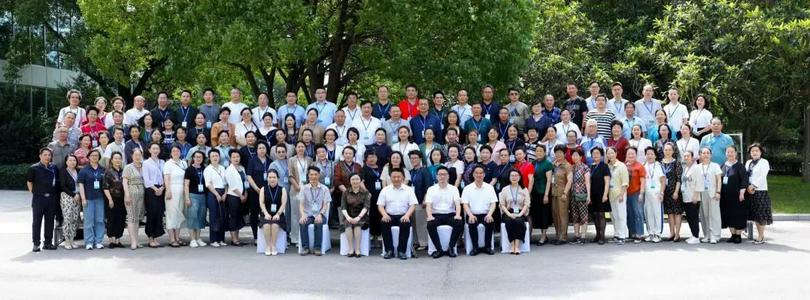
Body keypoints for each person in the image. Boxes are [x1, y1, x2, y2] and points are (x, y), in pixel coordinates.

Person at [377, 168, 418, 260]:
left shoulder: (409, 190)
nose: (396, 179)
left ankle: (401, 251)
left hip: (404, 215)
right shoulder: (385, 190)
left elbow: (413, 205)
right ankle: (389, 250)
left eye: (399, 177)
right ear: (390, 178)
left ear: (403, 178)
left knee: (405, 223)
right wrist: (384, 214)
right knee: (384, 223)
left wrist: (407, 215)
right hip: (389, 215)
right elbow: (380, 205)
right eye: (394, 177)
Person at [425, 166, 463, 258]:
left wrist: (458, 215)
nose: (442, 177)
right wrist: (429, 216)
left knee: (459, 222)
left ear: (448, 176)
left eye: (444, 174)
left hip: (450, 214)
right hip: (436, 215)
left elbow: (458, 204)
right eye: (440, 174)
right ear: (436, 176)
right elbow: (428, 205)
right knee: (430, 224)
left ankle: (451, 247)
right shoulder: (431, 189)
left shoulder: (454, 189)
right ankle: (438, 249)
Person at [27, 148, 60, 252]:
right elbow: (29, 182)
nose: (47, 157)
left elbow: (57, 181)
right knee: (37, 222)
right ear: (40, 156)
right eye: (45, 155)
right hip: (39, 199)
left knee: (50, 221)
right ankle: (36, 244)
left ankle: (48, 243)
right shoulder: (34, 168)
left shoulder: (54, 167)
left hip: (51, 198)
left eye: (49, 155)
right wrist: (35, 193)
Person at [461, 165, 498, 255]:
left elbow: (493, 203)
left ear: (484, 175)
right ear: (473, 174)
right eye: (476, 173)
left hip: (486, 213)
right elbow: (465, 204)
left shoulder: (489, 187)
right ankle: (475, 247)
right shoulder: (467, 188)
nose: (479, 175)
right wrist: (470, 215)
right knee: (472, 223)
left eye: (481, 173)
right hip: (473, 214)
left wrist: (489, 214)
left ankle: (488, 247)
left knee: (489, 222)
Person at [298, 166, 332, 256]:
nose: (313, 177)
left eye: (315, 174)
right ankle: (305, 248)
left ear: (319, 175)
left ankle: (317, 248)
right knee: (302, 222)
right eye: (311, 174)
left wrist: (320, 214)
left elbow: (325, 205)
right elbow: (301, 204)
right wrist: (303, 215)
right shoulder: (304, 188)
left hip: (320, 214)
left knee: (318, 222)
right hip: (308, 215)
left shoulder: (325, 189)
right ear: (308, 176)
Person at [692, 147, 723, 244]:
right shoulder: (697, 167)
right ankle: (707, 235)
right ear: (700, 155)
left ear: (711, 155)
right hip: (702, 193)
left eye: (708, 153)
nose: (705, 155)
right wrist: (695, 195)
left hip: (713, 192)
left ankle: (715, 235)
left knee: (714, 214)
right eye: (703, 153)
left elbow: (719, 180)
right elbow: (695, 182)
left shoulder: (715, 166)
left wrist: (718, 192)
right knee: (704, 215)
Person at [78, 149, 106, 250]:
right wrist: (83, 198)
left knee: (99, 220)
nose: (95, 157)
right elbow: (80, 184)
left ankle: (98, 241)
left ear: (99, 157)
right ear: (89, 157)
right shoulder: (84, 170)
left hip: (100, 198)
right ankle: (89, 242)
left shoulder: (103, 169)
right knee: (89, 221)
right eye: (92, 155)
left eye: (96, 155)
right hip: (88, 199)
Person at [720, 146, 748, 244]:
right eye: (728, 152)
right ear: (726, 153)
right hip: (725, 196)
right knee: (728, 215)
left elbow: (744, 180)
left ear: (736, 153)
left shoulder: (740, 166)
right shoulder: (723, 165)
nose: (730, 154)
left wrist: (742, 193)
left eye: (732, 152)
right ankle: (732, 235)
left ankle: (738, 235)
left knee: (737, 215)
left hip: (737, 196)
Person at [499, 170, 531, 254]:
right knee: (510, 221)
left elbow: (527, 204)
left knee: (519, 221)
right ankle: (512, 245)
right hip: (508, 211)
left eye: (516, 175)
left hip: (520, 211)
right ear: (509, 178)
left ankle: (516, 246)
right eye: (512, 175)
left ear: (520, 177)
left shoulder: (524, 189)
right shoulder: (505, 189)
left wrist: (520, 214)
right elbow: (502, 204)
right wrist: (509, 214)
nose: (514, 177)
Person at [745, 143, 771, 244]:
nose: (754, 152)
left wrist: (753, 186)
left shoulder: (764, 162)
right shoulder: (748, 162)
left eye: (756, 150)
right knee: (755, 214)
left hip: (760, 191)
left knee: (761, 215)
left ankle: (760, 236)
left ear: (760, 152)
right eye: (752, 151)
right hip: (749, 191)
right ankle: (761, 235)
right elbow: (746, 175)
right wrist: (747, 186)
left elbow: (762, 176)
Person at [163, 145, 188, 247]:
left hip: (182, 190)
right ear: (171, 152)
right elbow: (166, 178)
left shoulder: (183, 163)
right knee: (171, 214)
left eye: (177, 150)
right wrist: (168, 190)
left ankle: (177, 237)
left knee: (179, 214)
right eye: (173, 151)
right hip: (172, 190)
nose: (176, 152)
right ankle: (172, 239)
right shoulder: (168, 163)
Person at [409, 150, 434, 253]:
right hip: (412, 202)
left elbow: (428, 185)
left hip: (421, 200)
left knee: (421, 223)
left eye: (415, 158)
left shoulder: (425, 171)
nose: (413, 160)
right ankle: (416, 242)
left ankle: (424, 243)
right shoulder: (411, 171)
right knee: (414, 223)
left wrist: (425, 198)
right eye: (411, 158)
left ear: (420, 159)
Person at [288, 142, 312, 245]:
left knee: (304, 213)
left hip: (307, 189)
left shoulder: (310, 159)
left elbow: (313, 174)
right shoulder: (291, 160)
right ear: (296, 148)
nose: (301, 148)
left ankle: (303, 236)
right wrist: (297, 186)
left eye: (303, 147)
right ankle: (295, 237)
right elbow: (290, 175)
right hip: (295, 188)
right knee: (295, 213)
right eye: (299, 147)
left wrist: (307, 187)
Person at [341, 173, 370, 257]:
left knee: (357, 225)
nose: (355, 181)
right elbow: (343, 207)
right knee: (348, 225)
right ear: (350, 181)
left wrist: (359, 217)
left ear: (360, 181)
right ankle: (350, 249)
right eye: (353, 179)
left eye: (357, 179)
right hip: (348, 215)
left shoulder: (365, 192)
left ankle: (357, 249)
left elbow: (366, 207)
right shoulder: (345, 192)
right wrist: (348, 217)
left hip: (362, 216)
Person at [260, 170, 288, 256]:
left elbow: (284, 203)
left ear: (278, 178)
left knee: (275, 225)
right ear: (267, 178)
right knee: (267, 225)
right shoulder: (263, 189)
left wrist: (278, 214)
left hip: (278, 214)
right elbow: (262, 203)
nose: (272, 179)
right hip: (266, 213)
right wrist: (266, 213)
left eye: (274, 177)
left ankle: (274, 245)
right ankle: (268, 246)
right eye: (270, 177)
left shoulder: (282, 189)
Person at [204, 149, 228, 247]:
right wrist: (217, 195)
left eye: (216, 156)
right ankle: (213, 239)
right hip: (213, 192)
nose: (215, 158)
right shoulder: (208, 169)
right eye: (213, 156)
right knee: (214, 216)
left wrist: (225, 193)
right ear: (209, 158)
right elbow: (208, 184)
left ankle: (221, 239)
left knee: (223, 216)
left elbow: (226, 182)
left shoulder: (222, 168)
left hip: (223, 192)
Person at [122, 149, 145, 250]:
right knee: (131, 216)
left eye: (139, 155)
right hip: (131, 193)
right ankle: (133, 241)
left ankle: (137, 240)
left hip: (142, 194)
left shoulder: (144, 166)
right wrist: (127, 194)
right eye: (135, 155)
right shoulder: (128, 167)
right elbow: (124, 181)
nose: (137, 157)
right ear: (132, 156)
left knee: (137, 218)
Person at [224, 150, 248, 246]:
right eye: (233, 157)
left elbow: (245, 181)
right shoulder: (229, 170)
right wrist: (241, 195)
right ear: (230, 158)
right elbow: (232, 185)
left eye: (237, 157)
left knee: (238, 217)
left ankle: (237, 238)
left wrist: (245, 193)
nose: (236, 159)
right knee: (233, 217)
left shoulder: (242, 168)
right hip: (233, 196)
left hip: (242, 195)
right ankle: (234, 239)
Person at [605, 147, 629, 244]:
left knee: (621, 215)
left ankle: (623, 235)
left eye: (612, 153)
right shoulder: (607, 166)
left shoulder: (621, 166)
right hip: (611, 194)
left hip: (620, 193)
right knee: (614, 215)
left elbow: (625, 182)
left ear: (616, 153)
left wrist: (622, 194)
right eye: (608, 153)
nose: (610, 155)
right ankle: (617, 234)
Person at [184, 151, 208, 248]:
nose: (198, 159)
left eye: (200, 157)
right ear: (193, 158)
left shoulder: (204, 169)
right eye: (196, 157)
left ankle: (198, 238)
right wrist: (187, 198)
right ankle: (192, 239)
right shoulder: (189, 169)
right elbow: (186, 185)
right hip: (192, 195)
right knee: (192, 217)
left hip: (203, 196)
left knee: (201, 217)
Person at [661, 143, 684, 241]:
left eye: (669, 150)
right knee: (670, 213)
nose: (667, 152)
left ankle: (677, 234)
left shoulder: (677, 163)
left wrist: (676, 191)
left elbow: (679, 179)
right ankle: (671, 233)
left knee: (677, 213)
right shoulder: (660, 163)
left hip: (674, 191)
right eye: (666, 150)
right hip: (665, 191)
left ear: (673, 151)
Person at [530, 145, 553, 245]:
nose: (538, 153)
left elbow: (549, 180)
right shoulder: (533, 163)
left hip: (543, 192)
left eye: (540, 151)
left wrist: (546, 195)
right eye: (537, 151)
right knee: (536, 214)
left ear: (544, 152)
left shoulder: (547, 163)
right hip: (534, 192)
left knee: (544, 214)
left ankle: (543, 237)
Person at [103, 152, 126, 248]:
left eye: (119, 158)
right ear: (112, 160)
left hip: (122, 199)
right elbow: (105, 187)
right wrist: (110, 200)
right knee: (111, 219)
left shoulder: (123, 171)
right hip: (111, 198)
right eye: (115, 158)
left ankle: (118, 239)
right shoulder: (108, 172)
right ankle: (111, 240)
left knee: (121, 219)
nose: (117, 160)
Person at [641, 147, 665, 243]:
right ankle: (650, 233)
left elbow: (663, 180)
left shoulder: (658, 165)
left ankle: (658, 233)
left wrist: (661, 193)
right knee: (648, 213)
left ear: (655, 155)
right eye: (648, 154)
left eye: (652, 154)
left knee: (657, 213)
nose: (649, 156)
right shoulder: (644, 165)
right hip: (647, 194)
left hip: (656, 193)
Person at [588, 147, 610, 244]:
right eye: (593, 154)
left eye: (597, 153)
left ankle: (602, 236)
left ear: (601, 155)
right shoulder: (591, 166)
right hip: (593, 194)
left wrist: (605, 194)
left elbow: (607, 181)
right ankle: (597, 235)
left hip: (601, 194)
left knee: (601, 214)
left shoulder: (604, 166)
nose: (595, 155)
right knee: (595, 214)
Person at [568, 149, 591, 244]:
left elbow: (587, 182)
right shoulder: (571, 167)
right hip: (573, 195)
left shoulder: (585, 167)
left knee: (583, 215)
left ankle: (583, 236)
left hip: (582, 194)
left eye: (577, 155)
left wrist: (589, 195)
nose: (575, 157)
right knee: (574, 215)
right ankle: (576, 234)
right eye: (573, 155)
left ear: (581, 157)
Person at [624, 147, 646, 243]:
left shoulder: (639, 166)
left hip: (636, 193)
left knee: (638, 213)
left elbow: (643, 181)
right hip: (626, 194)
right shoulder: (624, 166)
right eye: (629, 154)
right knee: (630, 214)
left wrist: (641, 193)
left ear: (636, 155)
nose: (630, 155)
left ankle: (639, 234)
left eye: (632, 154)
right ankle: (632, 233)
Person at [680, 150, 701, 244]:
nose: (686, 158)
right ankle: (693, 235)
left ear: (692, 157)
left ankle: (696, 237)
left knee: (694, 217)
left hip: (693, 197)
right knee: (689, 217)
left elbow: (699, 183)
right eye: (684, 156)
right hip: (686, 196)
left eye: (688, 156)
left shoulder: (696, 168)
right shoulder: (686, 168)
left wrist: (696, 195)